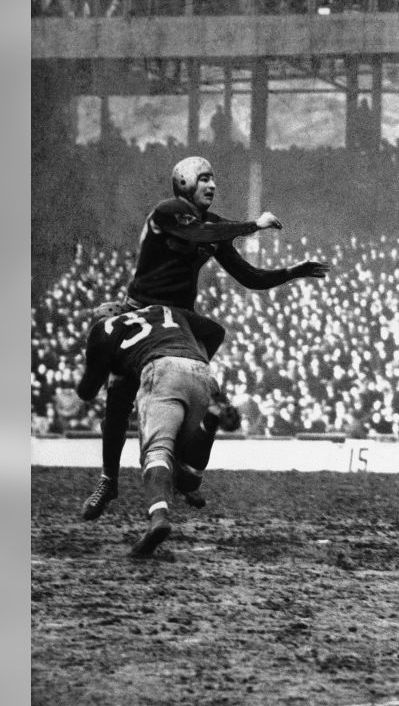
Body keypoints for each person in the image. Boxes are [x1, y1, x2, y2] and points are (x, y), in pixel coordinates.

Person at [81, 156, 332, 521]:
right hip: (143, 310)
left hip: (181, 320)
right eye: (203, 179)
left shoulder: (213, 226)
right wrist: (252, 225)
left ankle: (184, 458)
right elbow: (196, 235)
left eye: (213, 179)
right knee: (118, 397)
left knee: (211, 341)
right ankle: (109, 480)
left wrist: (292, 272)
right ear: (183, 184)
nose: (212, 185)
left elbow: (249, 276)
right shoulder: (168, 212)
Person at [76, 302, 226, 558]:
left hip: (161, 370)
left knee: (157, 452)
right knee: (189, 471)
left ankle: (158, 517)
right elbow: (215, 330)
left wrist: (107, 362)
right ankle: (208, 424)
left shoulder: (103, 329)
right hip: (200, 369)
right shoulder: (163, 310)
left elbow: (86, 392)